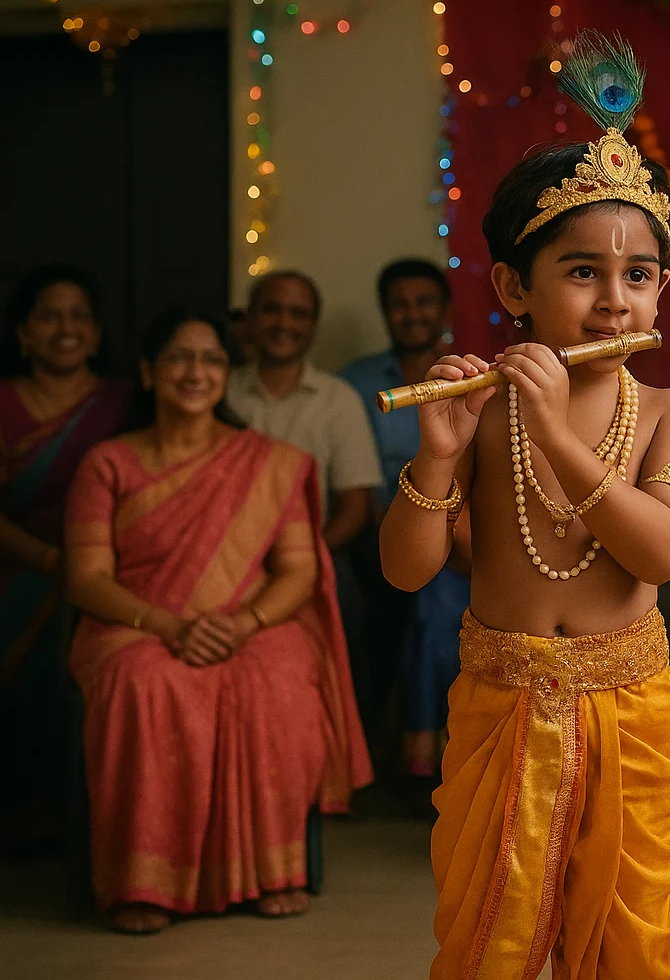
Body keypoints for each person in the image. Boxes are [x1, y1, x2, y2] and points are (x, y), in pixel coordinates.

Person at [378, 32, 670, 979]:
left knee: (628, 946)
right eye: (582, 272)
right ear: (515, 288)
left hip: (633, 712)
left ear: (661, 294)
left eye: (637, 276)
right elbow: (407, 569)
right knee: (491, 939)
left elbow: (660, 556)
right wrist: (438, 456)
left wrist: (558, 432)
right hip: (501, 703)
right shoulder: (478, 411)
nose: (614, 301)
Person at [64, 308, 371, 933]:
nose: (195, 371)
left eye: (210, 359)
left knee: (276, 683)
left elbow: (298, 571)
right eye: (179, 357)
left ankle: (271, 871)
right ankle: (144, 882)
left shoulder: (270, 462)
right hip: (137, 622)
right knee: (145, 683)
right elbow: (88, 579)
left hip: (248, 621)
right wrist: (167, 625)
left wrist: (244, 624)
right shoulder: (107, 465)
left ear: (226, 375)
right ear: (149, 373)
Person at [0, 266, 131, 845]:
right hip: (26, 562)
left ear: (98, 335)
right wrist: (57, 564)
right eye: (50, 316)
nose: (66, 328)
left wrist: (88, 568)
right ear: (23, 332)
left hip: (116, 564)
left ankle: (82, 818)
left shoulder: (124, 403)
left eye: (79, 316)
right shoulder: (4, 403)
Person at [226, 270, 384, 738]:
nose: (284, 323)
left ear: (313, 326)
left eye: (298, 313)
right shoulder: (219, 388)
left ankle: (347, 747)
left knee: (350, 607)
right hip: (221, 554)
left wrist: (301, 561)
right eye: (272, 309)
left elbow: (355, 508)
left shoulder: (338, 400)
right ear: (249, 321)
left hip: (314, 554)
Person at [340, 259, 468, 788]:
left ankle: (423, 746)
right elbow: (356, 478)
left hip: (463, 529)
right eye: (400, 304)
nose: (412, 314)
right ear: (386, 312)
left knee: (434, 590)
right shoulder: (358, 383)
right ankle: (427, 747)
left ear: (444, 310)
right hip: (379, 535)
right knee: (426, 585)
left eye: (424, 302)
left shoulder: (471, 374)